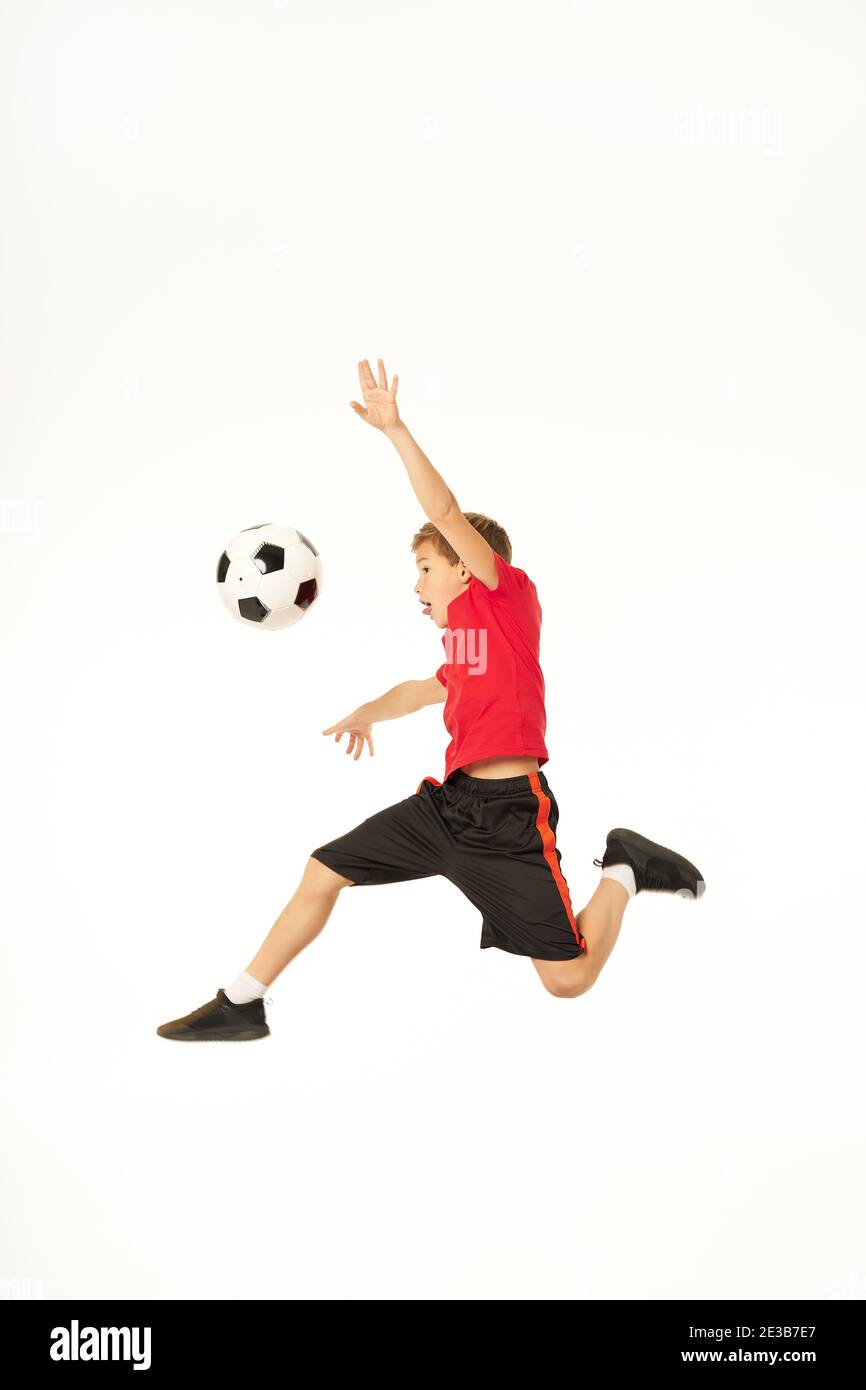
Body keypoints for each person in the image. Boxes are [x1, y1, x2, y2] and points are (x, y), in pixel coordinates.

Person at [157, 358, 705, 1042]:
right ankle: (243, 1000)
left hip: (509, 821)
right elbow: (423, 690)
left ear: (464, 566)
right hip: (447, 811)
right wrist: (367, 712)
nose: (417, 585)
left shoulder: (504, 598)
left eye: (426, 568)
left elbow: (443, 511)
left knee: (566, 979)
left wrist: (396, 431)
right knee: (324, 868)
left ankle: (624, 865)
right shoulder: (468, 651)